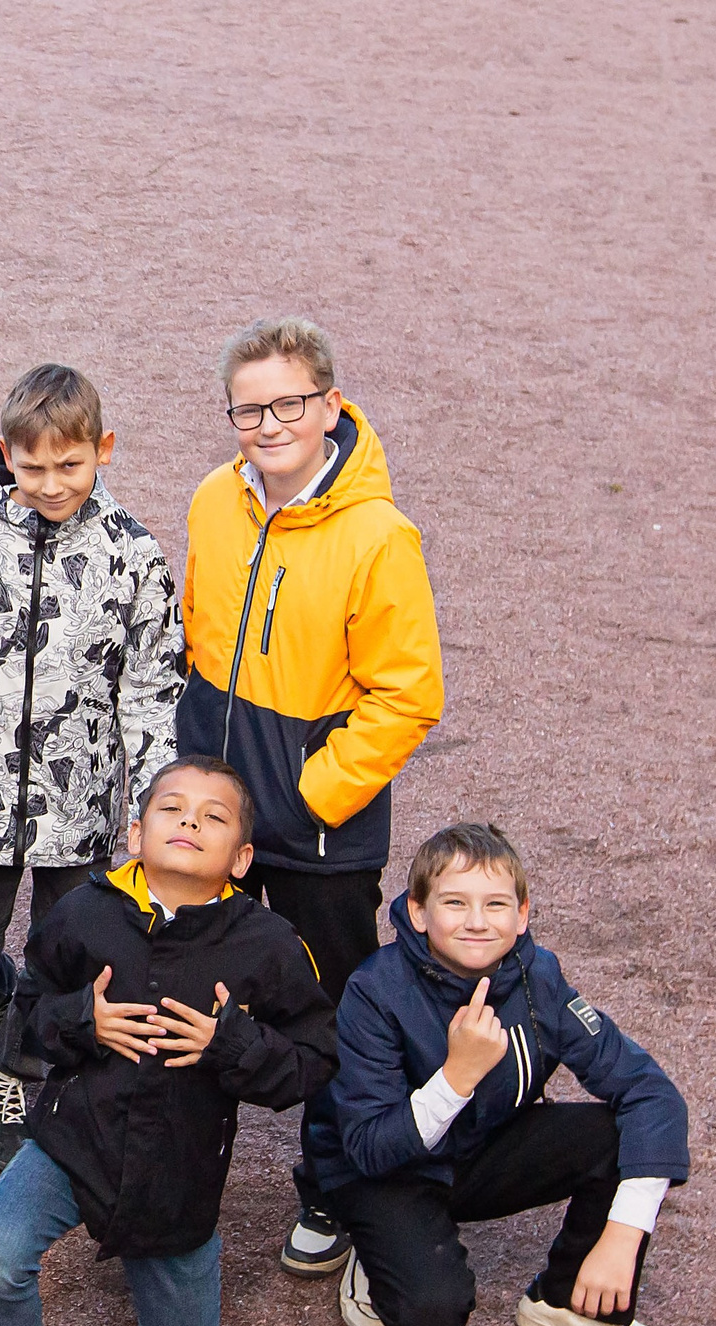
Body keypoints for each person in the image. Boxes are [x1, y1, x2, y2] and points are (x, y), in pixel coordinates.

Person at [0, 757, 335, 1326]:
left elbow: (316, 1061)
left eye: (214, 816)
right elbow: (28, 1015)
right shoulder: (82, 912)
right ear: (136, 830)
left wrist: (231, 1045)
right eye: (172, 808)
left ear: (241, 858)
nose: (190, 821)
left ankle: (143, 1241)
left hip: (179, 1170)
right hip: (76, 1142)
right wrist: (83, 1020)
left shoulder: (268, 944)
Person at [174, 319, 443, 1277]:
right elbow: (201, 636)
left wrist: (307, 795)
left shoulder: (379, 534)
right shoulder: (214, 496)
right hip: (217, 817)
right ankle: (167, 1182)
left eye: (288, 402)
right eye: (249, 407)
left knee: (330, 1016)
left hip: (318, 835)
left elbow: (409, 693)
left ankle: (330, 1185)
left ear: (329, 404)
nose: (268, 423)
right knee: (190, 985)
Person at [0, 364, 182, 1167]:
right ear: (7, 454)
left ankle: (11, 1061)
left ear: (104, 450)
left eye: (70, 465)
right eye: (33, 467)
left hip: (76, 801)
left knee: (71, 952)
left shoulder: (134, 555)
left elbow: (153, 687)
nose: (52, 484)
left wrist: (154, 796)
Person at [318, 824, 688, 1326]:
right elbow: (368, 1148)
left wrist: (622, 1235)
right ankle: (375, 1252)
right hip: (384, 1169)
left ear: (521, 915)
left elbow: (651, 1093)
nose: (476, 920)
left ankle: (565, 1305)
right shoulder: (374, 990)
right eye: (454, 902)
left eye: (495, 903)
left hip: (478, 1150)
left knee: (621, 1134)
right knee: (428, 1313)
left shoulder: (538, 976)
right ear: (418, 913)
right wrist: (456, 1077)